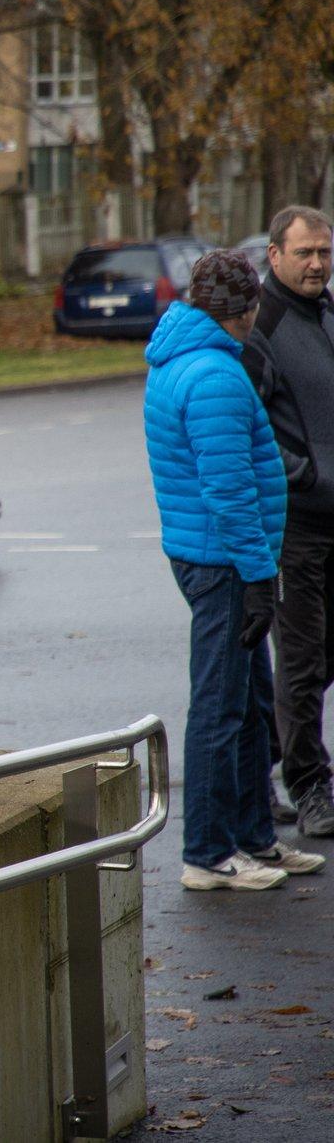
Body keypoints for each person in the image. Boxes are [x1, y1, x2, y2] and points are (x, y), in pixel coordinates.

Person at [146, 249, 324, 887]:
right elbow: (230, 490)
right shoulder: (216, 377)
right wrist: (257, 576)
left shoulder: (179, 357)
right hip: (225, 564)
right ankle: (209, 854)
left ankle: (254, 839)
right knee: (221, 708)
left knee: (249, 704)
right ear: (244, 310)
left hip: (211, 556)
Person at [242, 205, 334, 838]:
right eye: (304, 253)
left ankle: (274, 759)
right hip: (295, 524)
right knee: (301, 658)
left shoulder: (328, 313)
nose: (316, 264)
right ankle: (307, 784)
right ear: (273, 256)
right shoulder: (262, 326)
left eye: (324, 252)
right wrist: (298, 473)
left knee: (325, 656)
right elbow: (246, 426)